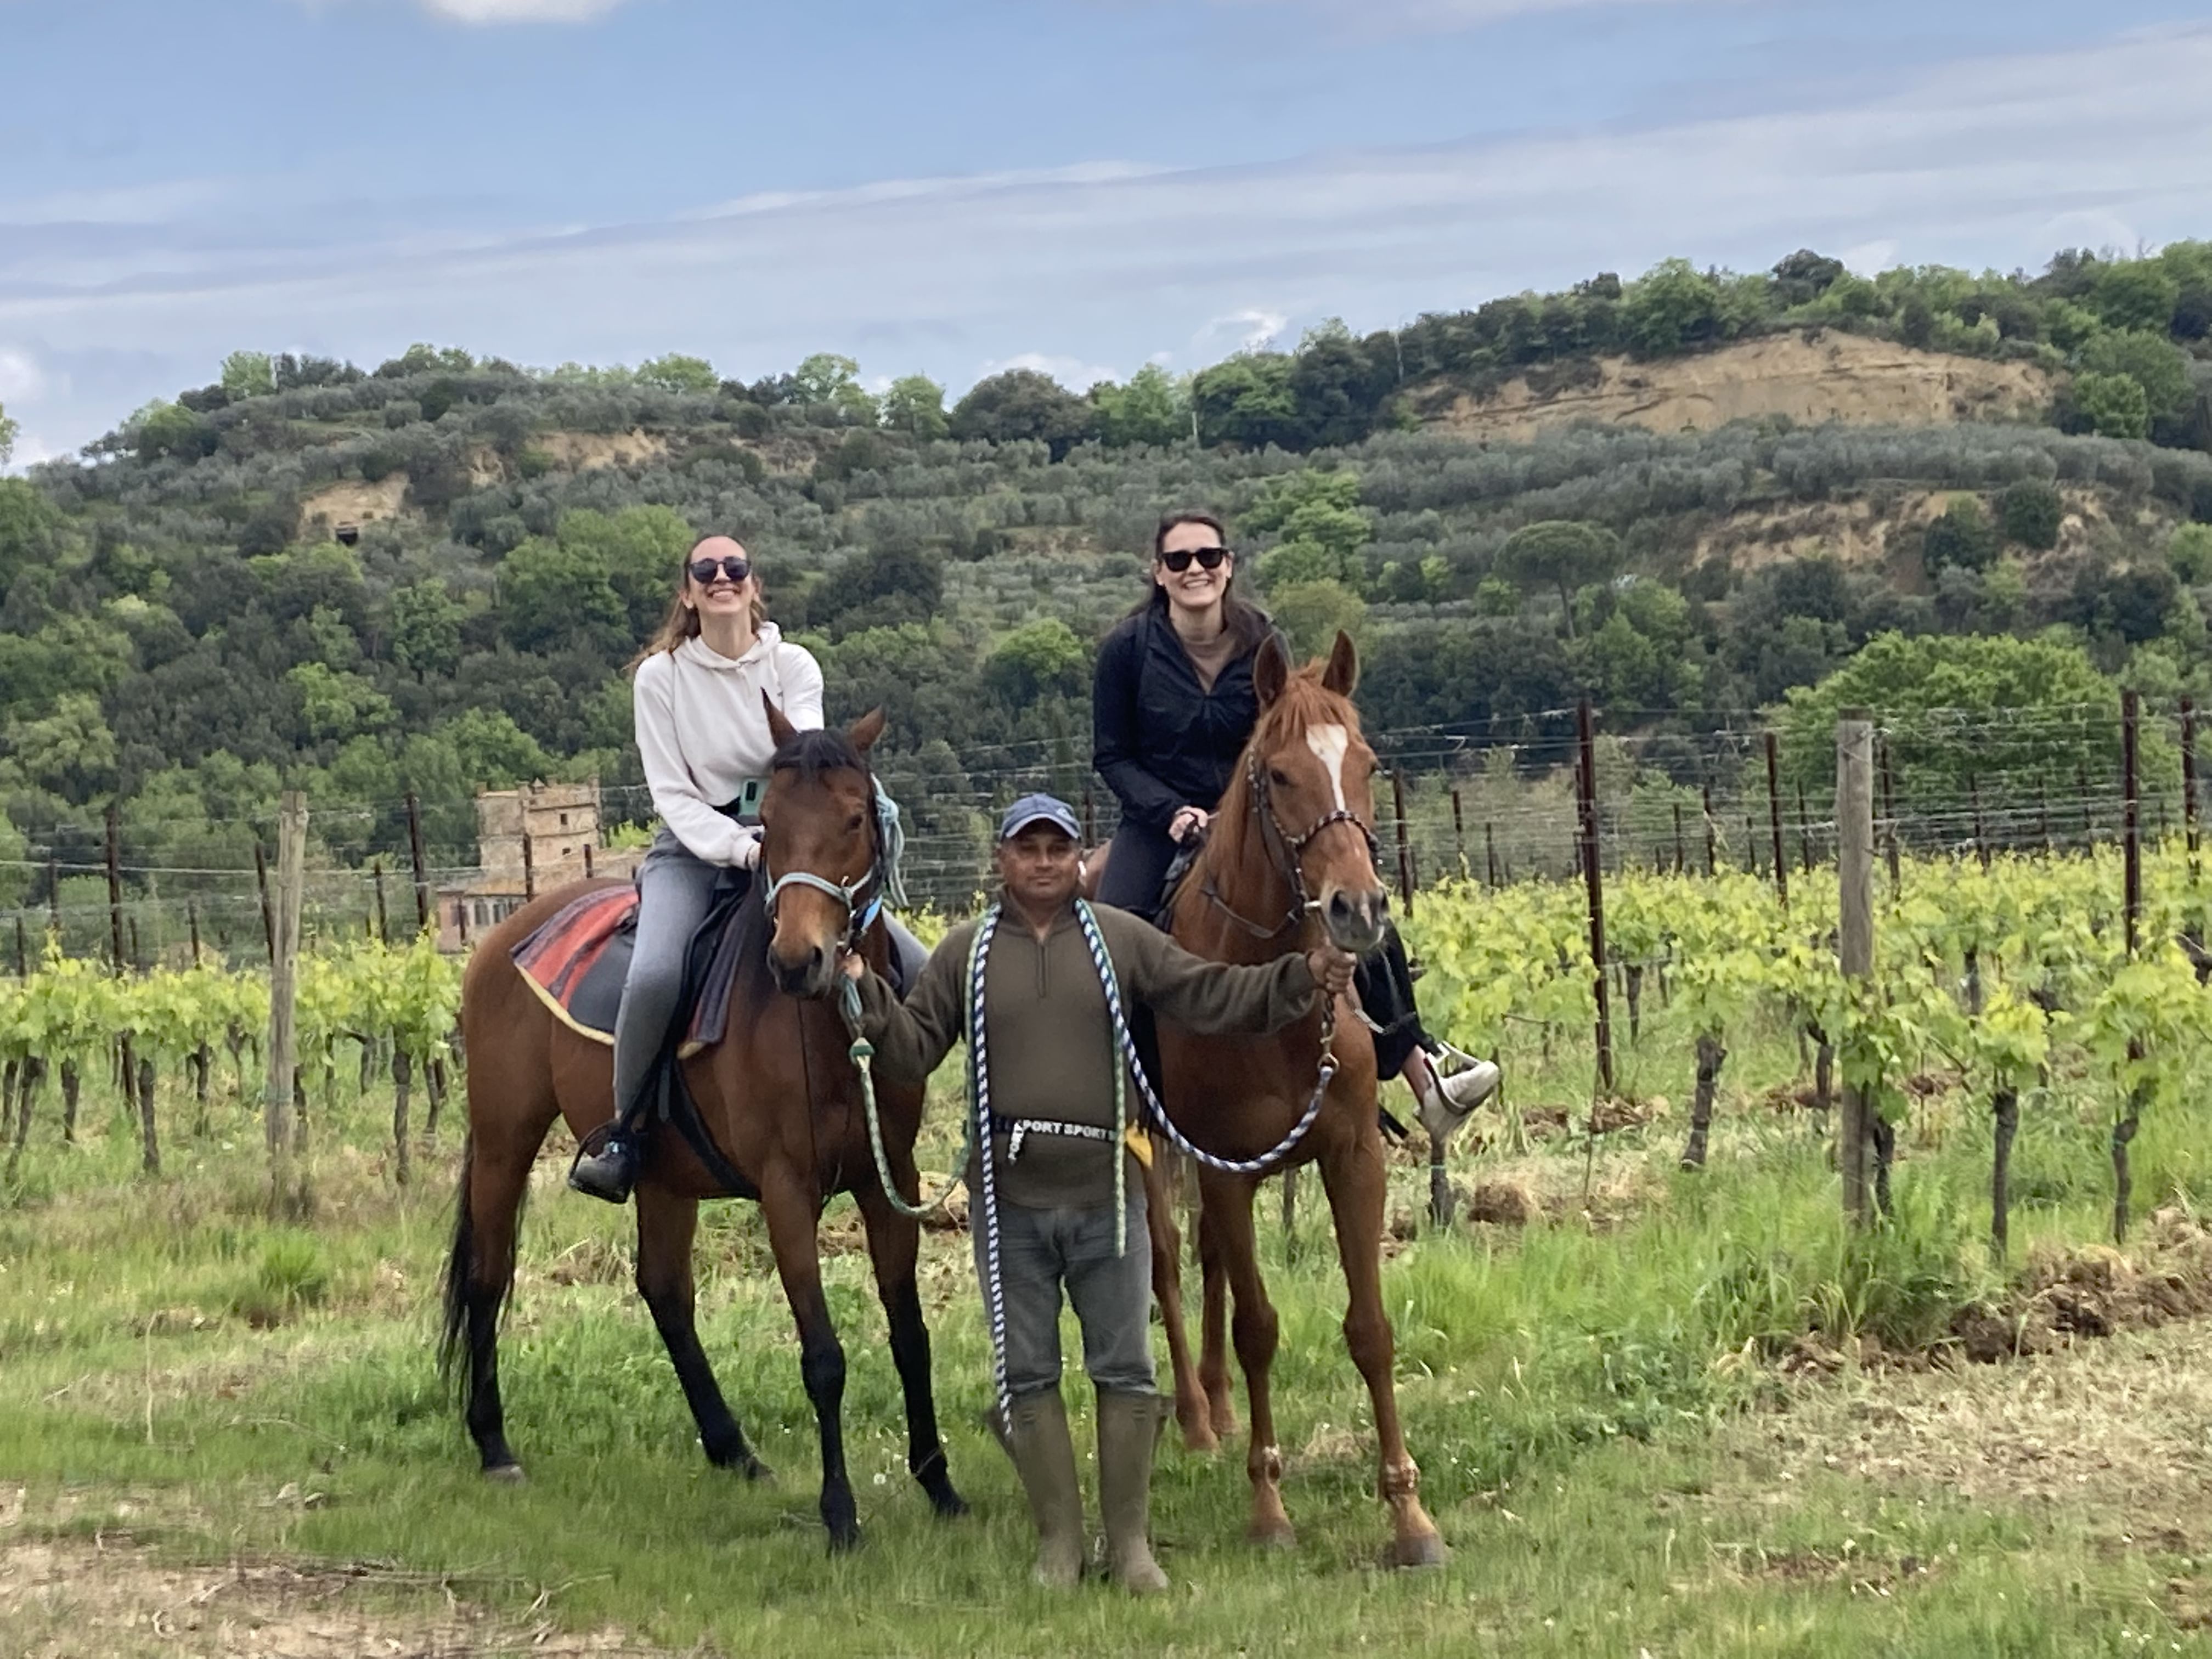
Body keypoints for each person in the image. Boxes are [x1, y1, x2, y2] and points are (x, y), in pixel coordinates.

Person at [843, 794, 1357, 1593]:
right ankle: (1059, 1543)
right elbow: (910, 1052)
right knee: (1028, 1372)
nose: (1043, 862)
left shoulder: (1122, 940)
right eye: (1027, 848)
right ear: (1002, 862)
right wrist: (866, 998)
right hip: (1008, 1202)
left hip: (1110, 1194)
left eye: (1058, 848)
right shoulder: (965, 954)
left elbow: (1215, 994)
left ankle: (1132, 1546)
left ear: (1079, 859)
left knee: (1126, 1368)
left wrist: (1304, 977)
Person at [1091, 510, 1502, 1146]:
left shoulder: (1264, 643)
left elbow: (1291, 738)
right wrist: (1172, 811)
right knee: (1115, 935)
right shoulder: (1127, 650)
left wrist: (1246, 811)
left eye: (1208, 557)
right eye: (1179, 561)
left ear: (1228, 566)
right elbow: (1112, 755)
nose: (1195, 569)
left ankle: (1424, 1071)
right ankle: (1132, 1105)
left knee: (1359, 906)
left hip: (1260, 815)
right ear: (1159, 574)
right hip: (1159, 821)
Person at [568, 533, 922, 1204]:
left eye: (736, 568)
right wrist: (741, 848)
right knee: (653, 976)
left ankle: (934, 1112)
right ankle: (626, 1134)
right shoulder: (660, 678)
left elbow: (808, 766)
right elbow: (672, 795)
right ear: (688, 592)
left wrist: (779, 845)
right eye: (706, 570)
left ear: (755, 586)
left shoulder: (794, 665)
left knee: (924, 968)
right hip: (697, 848)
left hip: (791, 848)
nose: (722, 578)